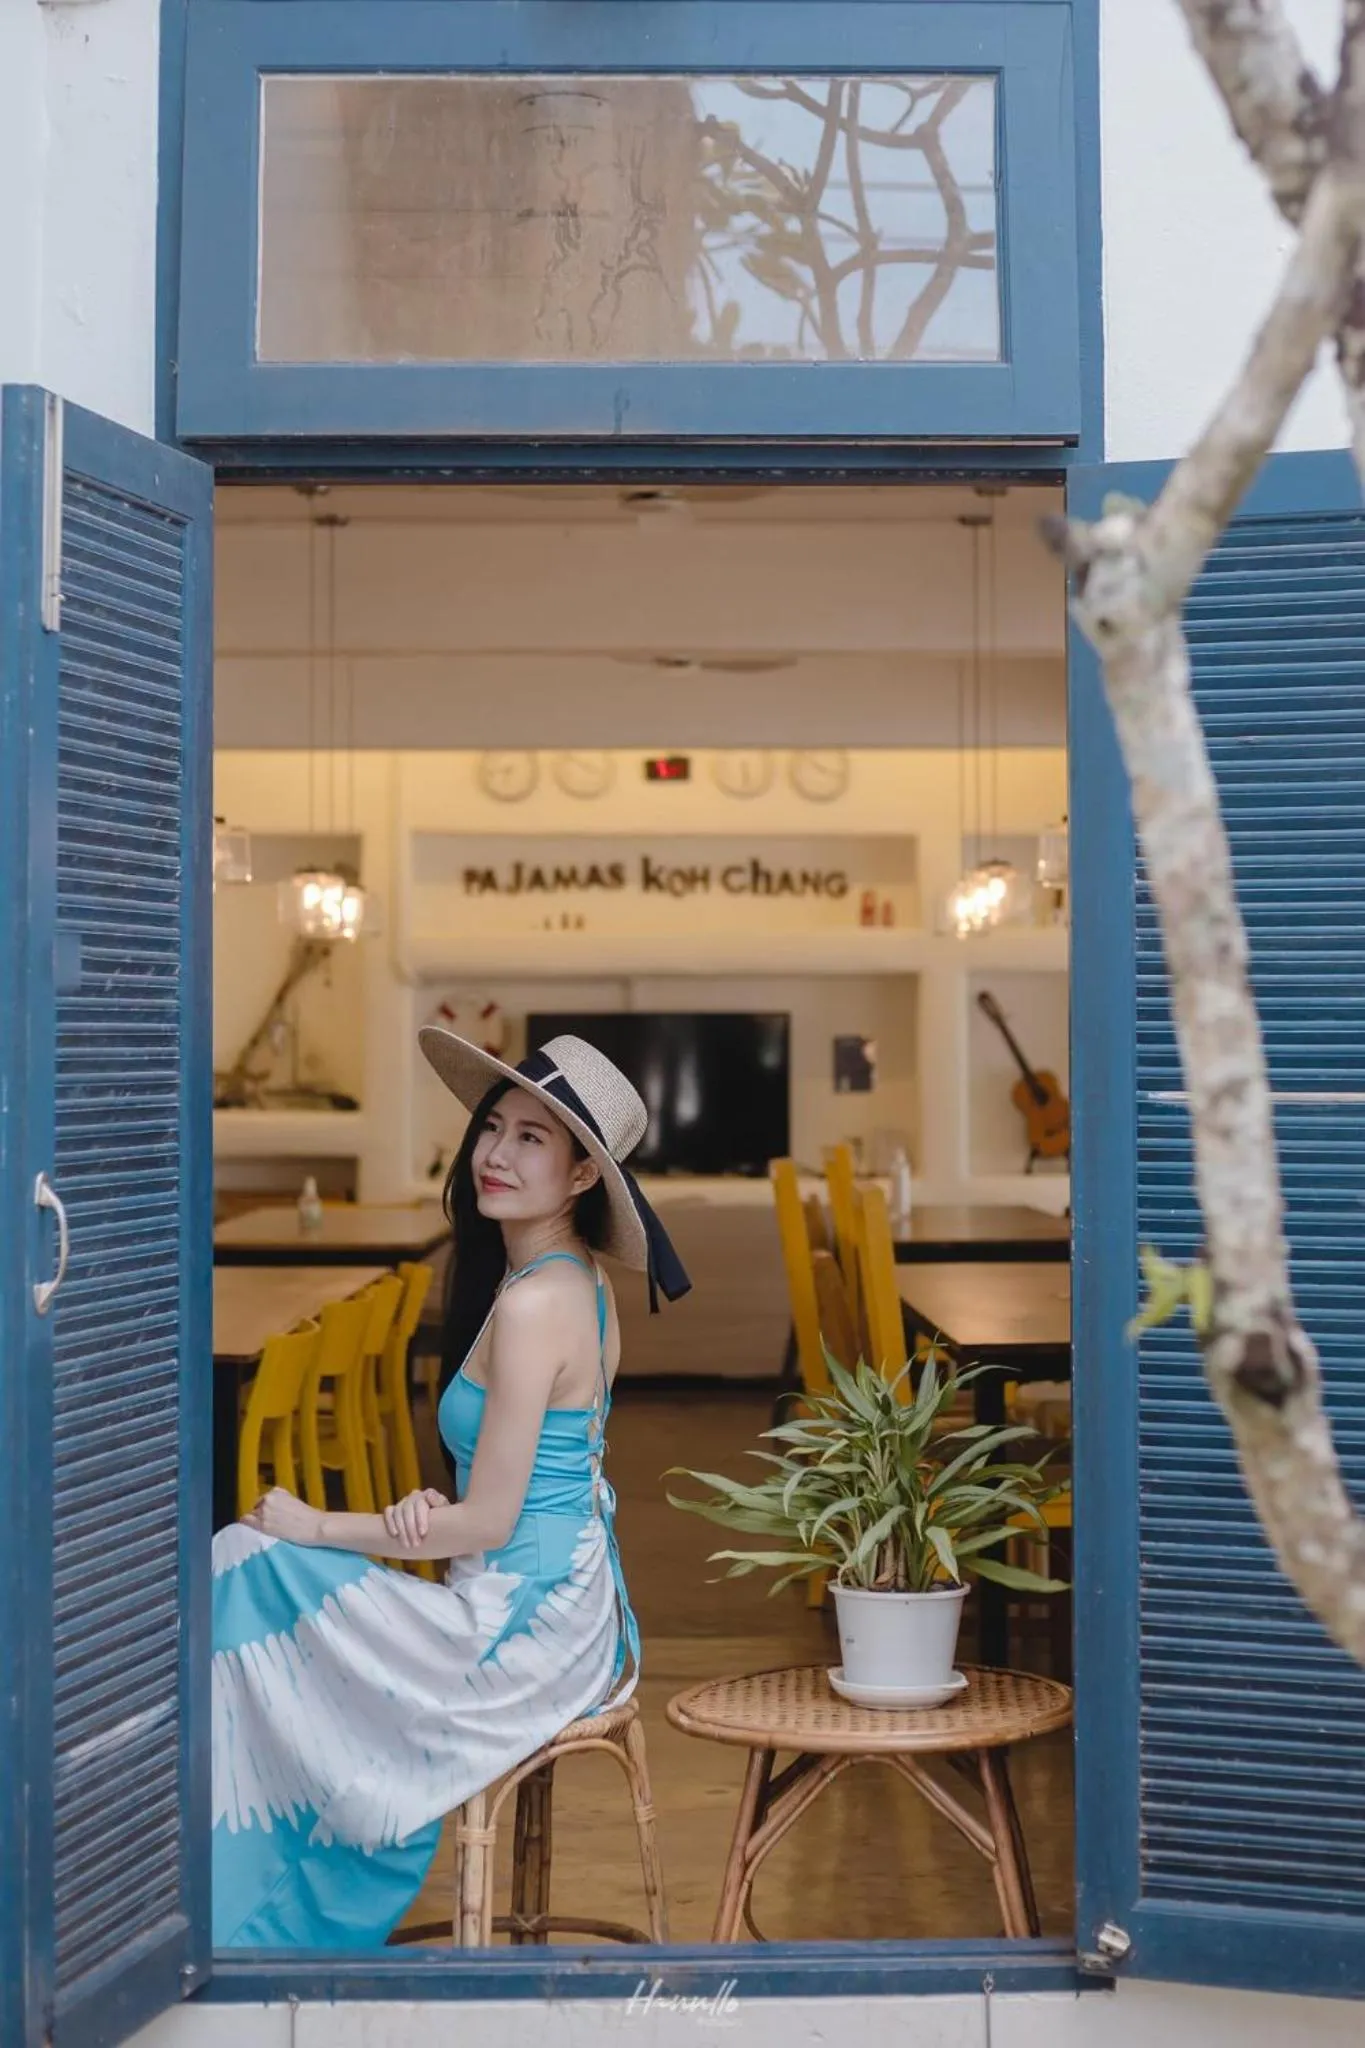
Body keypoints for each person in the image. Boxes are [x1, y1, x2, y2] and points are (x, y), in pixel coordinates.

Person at [211, 1031, 690, 1948]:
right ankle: (246, 1888)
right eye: (493, 1129)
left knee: (247, 1560)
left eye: (533, 1140)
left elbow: (494, 1517)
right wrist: (429, 1517)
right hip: (555, 1597)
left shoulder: (532, 1304)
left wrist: (317, 1523)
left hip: (527, 1628)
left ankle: (249, 1907)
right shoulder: (565, 1282)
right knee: (253, 1573)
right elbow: (505, 1499)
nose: (497, 1156)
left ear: (585, 1175)